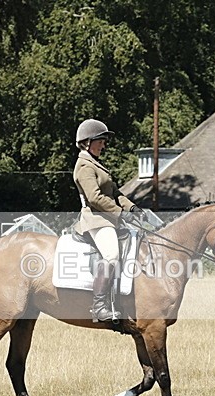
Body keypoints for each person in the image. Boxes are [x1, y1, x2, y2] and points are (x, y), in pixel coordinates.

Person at [72, 119, 143, 322]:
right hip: (95, 219)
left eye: (104, 141)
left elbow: (115, 193)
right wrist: (120, 213)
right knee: (111, 255)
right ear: (87, 142)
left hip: (108, 218)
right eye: (100, 141)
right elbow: (94, 198)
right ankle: (99, 307)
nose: (104, 145)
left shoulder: (98, 165)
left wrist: (132, 207)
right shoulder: (84, 166)